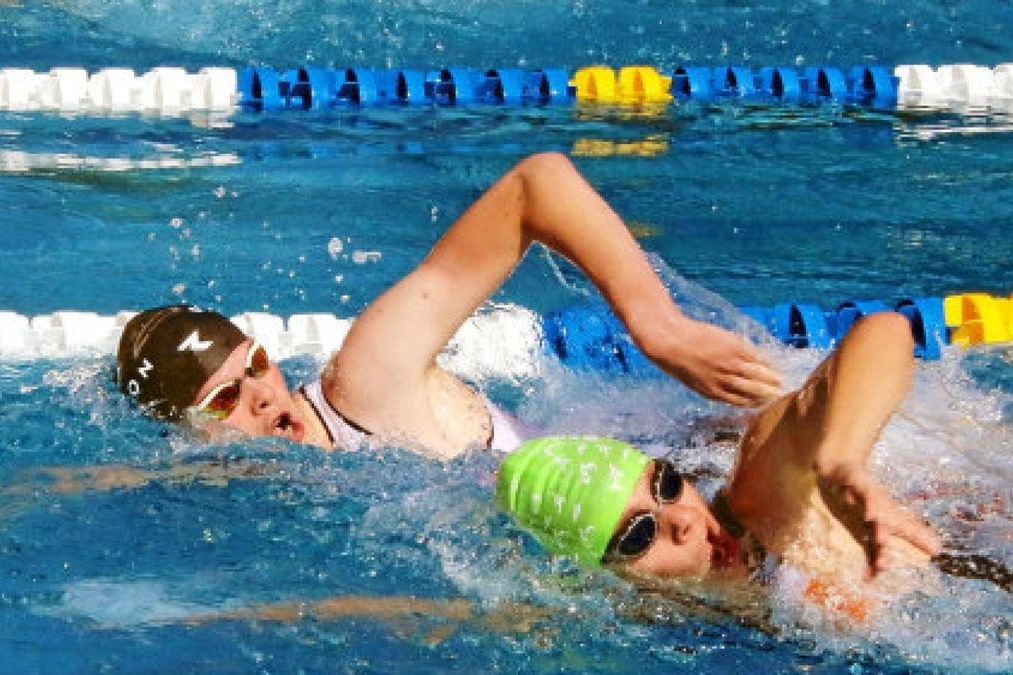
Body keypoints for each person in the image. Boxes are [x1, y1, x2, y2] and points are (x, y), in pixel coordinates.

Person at [116, 152, 782, 459]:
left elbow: (536, 186)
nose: (262, 395)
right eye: (224, 401)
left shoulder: (363, 381)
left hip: (698, 475)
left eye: (254, 365)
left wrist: (658, 328)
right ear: (187, 437)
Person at [497, 312, 944, 621]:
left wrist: (840, 461)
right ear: (603, 575)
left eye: (668, 485)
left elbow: (886, 331)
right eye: (640, 534)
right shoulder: (641, 608)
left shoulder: (765, 492)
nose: (687, 521)